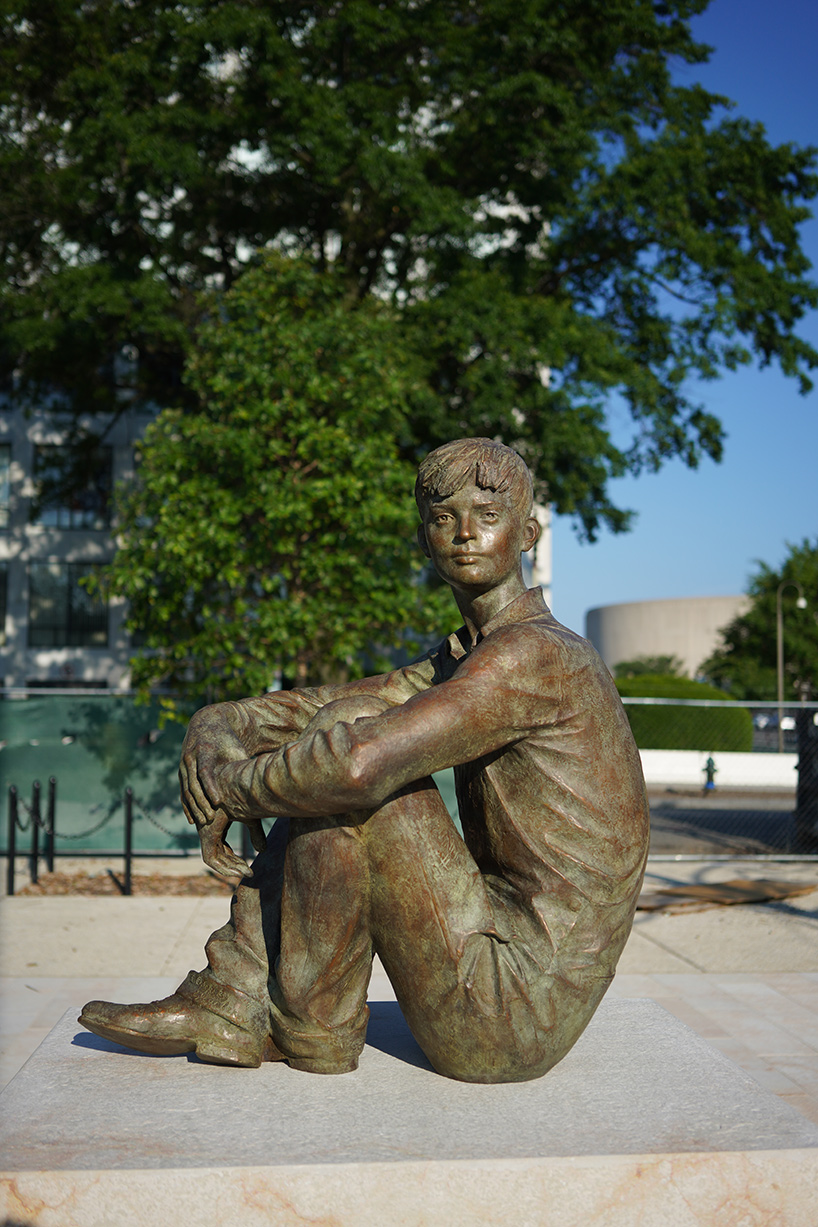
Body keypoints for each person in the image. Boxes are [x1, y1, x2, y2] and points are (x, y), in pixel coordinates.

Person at [80, 438, 649, 1083]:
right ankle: (277, 1017)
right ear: (424, 538)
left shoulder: (535, 657)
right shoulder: (476, 651)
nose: (464, 533)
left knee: (353, 754)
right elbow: (350, 699)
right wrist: (223, 721)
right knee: (344, 731)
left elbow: (359, 764)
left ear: (528, 532)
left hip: (512, 1013)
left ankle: (259, 1009)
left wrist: (235, 789)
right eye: (442, 518)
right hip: (491, 960)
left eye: (487, 516)